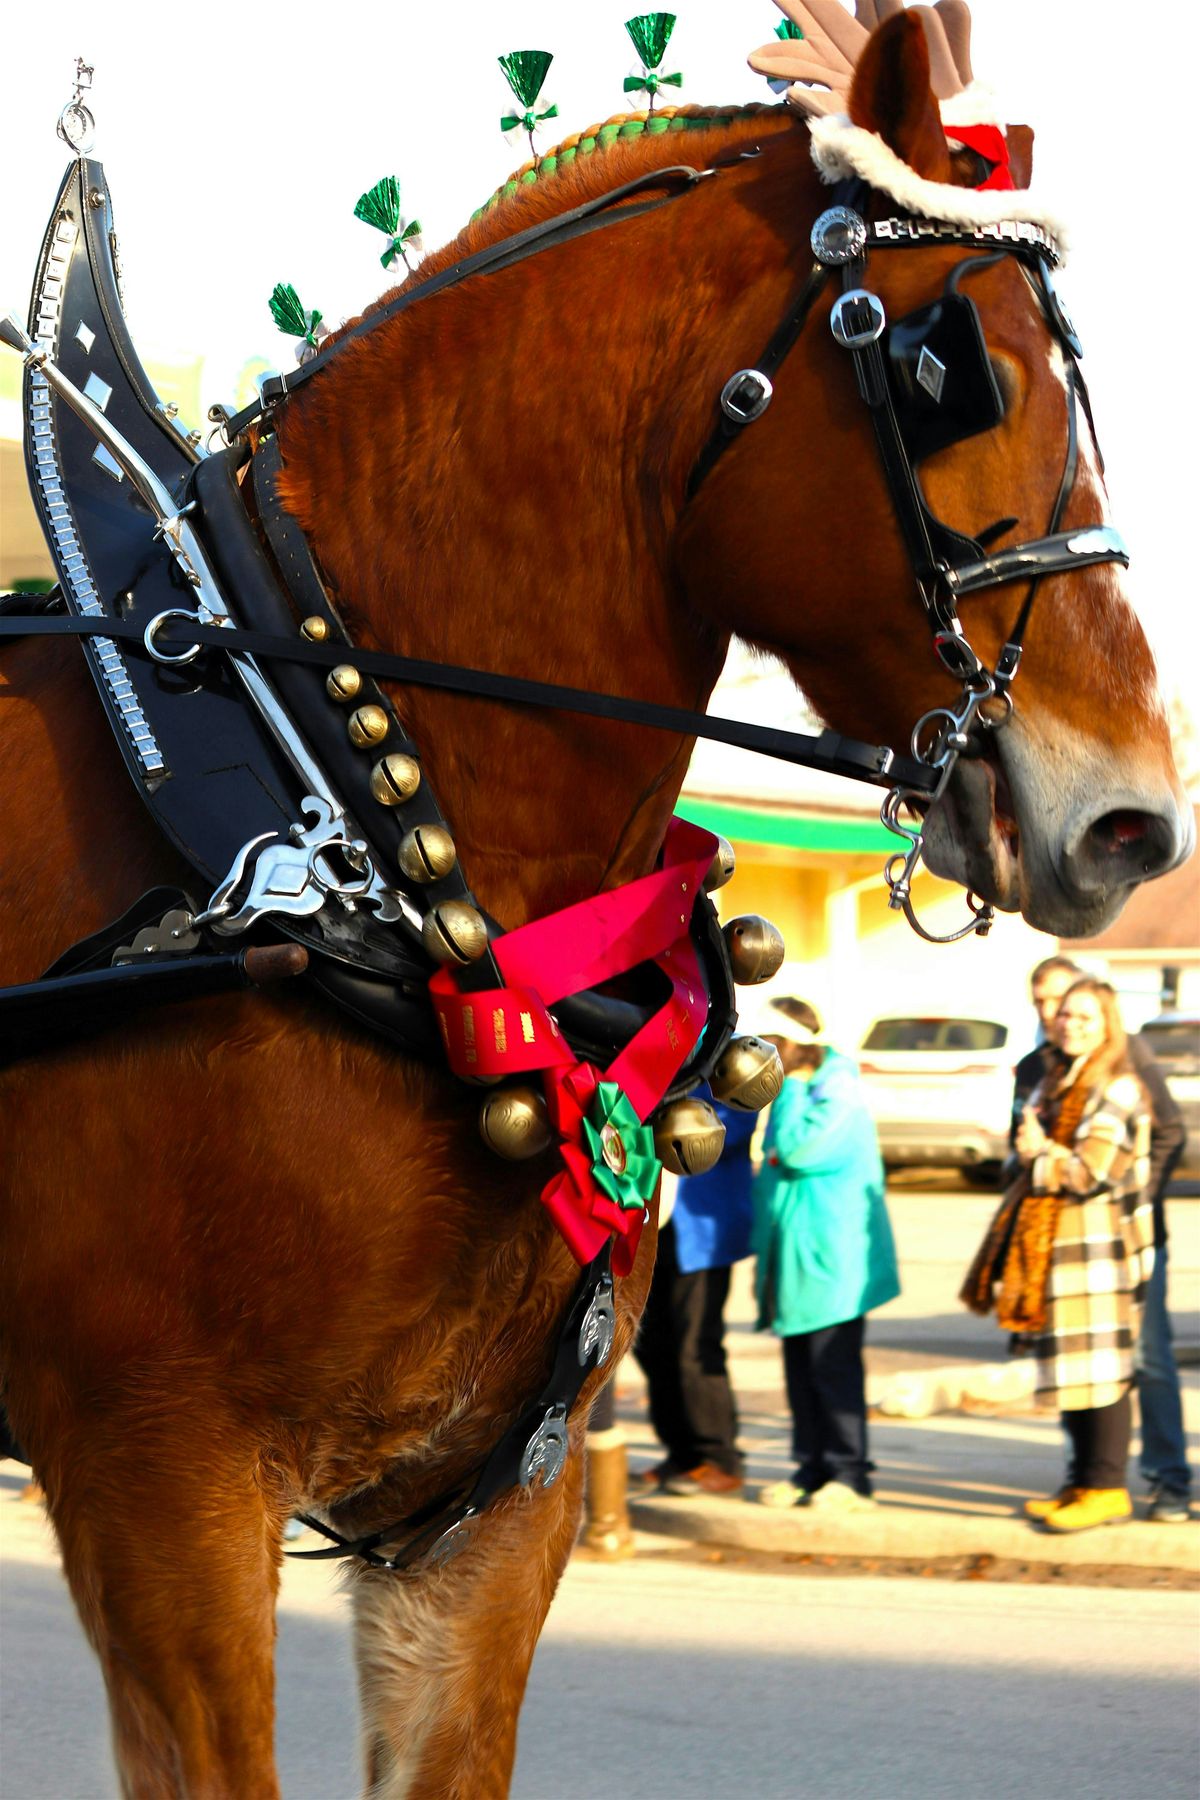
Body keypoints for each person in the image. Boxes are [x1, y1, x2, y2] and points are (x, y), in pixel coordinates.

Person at [963, 978, 1155, 1532]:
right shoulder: (1059, 1078)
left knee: (1103, 1374)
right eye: (1067, 1014)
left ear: (1108, 1025)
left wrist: (1038, 1153)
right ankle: (1081, 1482)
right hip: (1059, 1250)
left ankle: (1107, 1487)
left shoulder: (1117, 1087)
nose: (1071, 1023)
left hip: (1099, 1252)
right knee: (1075, 1372)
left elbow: (1091, 1172)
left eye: (1085, 1017)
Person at [1012, 960, 1191, 1522]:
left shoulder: (1124, 1064)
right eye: (1045, 1006)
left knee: (1142, 1360)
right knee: (1077, 1359)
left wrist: (1137, 1201)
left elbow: (1163, 1136)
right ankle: (1084, 1478)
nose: (1055, 1017)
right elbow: (1019, 1148)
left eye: (1063, 1004)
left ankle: (1168, 1481)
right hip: (1058, 1240)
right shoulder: (1036, 1068)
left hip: (1117, 1240)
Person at [751, 997, 900, 1510]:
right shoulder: (806, 1089)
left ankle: (849, 1473)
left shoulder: (835, 1090)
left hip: (831, 1257)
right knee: (801, 1368)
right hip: (797, 1253)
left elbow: (796, 1152)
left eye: (770, 1044)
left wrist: (788, 1092)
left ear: (794, 1047)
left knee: (832, 1365)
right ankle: (811, 1468)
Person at [634, 1096, 754, 1496]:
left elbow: (726, 1130)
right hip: (652, 1226)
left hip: (700, 1232)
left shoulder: (715, 1061)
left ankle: (719, 1457)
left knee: (695, 1346)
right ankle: (682, 1453)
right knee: (651, 1345)